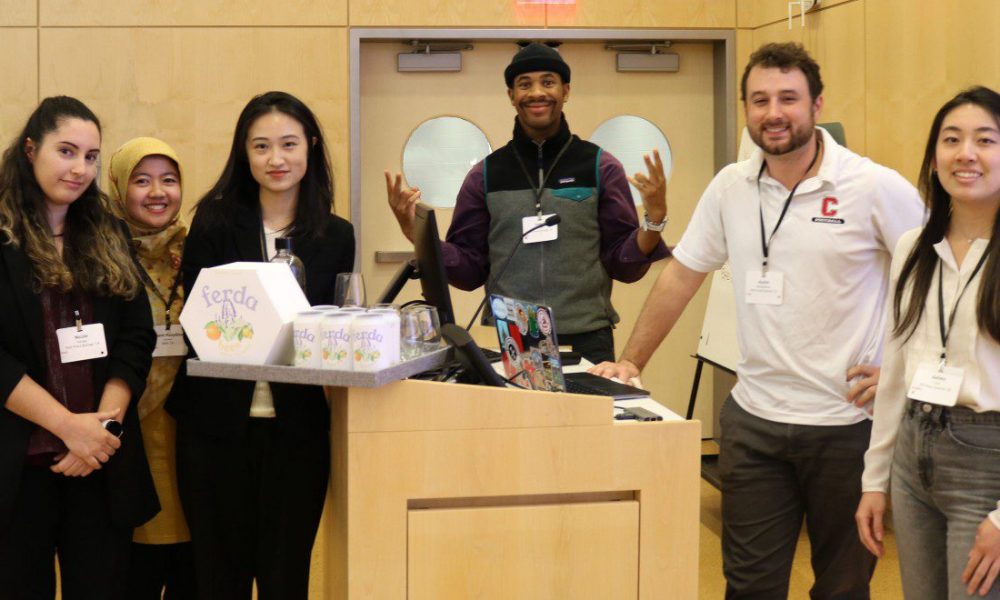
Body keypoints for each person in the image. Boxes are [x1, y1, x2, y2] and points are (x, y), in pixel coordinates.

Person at [591, 42, 924, 598]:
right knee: (749, 587)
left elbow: (934, 280)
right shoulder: (730, 187)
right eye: (760, 99)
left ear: (817, 105)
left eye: (789, 98)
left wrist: (901, 372)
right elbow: (681, 275)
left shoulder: (873, 186)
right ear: (746, 109)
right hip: (754, 425)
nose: (774, 112)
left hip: (848, 430)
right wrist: (631, 361)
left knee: (842, 588)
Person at [173, 91, 355, 600]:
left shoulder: (336, 235)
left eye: (289, 144)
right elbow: (199, 324)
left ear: (311, 148)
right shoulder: (212, 224)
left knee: (285, 577)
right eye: (261, 147)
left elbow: (329, 327)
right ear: (244, 153)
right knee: (217, 577)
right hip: (214, 430)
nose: (276, 159)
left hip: (296, 432)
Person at [385, 42, 670, 364]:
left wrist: (654, 219)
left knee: (584, 418)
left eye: (548, 82)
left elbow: (625, 265)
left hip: (589, 339)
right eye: (525, 84)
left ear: (566, 90)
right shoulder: (485, 175)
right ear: (511, 95)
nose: (537, 92)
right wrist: (416, 235)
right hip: (513, 338)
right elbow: (468, 270)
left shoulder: (600, 167)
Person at [0, 96, 158, 599]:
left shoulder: (107, 231)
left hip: (99, 465)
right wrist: (69, 428)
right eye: (66, 151)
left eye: (91, 156)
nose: (80, 168)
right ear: (30, 149)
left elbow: (136, 335)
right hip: (18, 466)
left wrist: (103, 431)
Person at [856, 86, 1000, 599]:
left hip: (988, 462)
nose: (966, 154)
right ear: (934, 155)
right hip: (914, 454)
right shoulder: (913, 247)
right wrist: (876, 479)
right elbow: (895, 370)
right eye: (951, 139)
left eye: (985, 140)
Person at [107, 137, 196, 599]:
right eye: (142, 181)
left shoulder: (200, 250)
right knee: (132, 569)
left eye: (168, 180)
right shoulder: (99, 256)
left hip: (191, 430)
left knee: (193, 565)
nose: (157, 192)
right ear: (119, 189)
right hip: (125, 433)